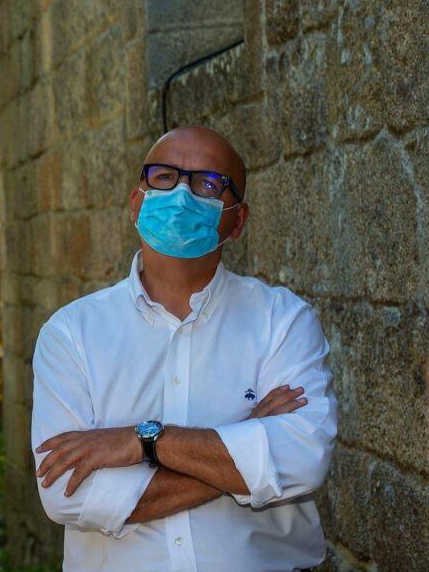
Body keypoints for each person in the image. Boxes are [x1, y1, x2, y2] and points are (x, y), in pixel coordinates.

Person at [31, 126, 337, 572]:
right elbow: (63, 493)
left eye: (208, 184)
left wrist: (144, 442)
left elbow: (303, 461)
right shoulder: (70, 334)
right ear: (137, 202)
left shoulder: (283, 321)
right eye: (164, 177)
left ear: (237, 221)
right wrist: (244, 443)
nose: (180, 194)